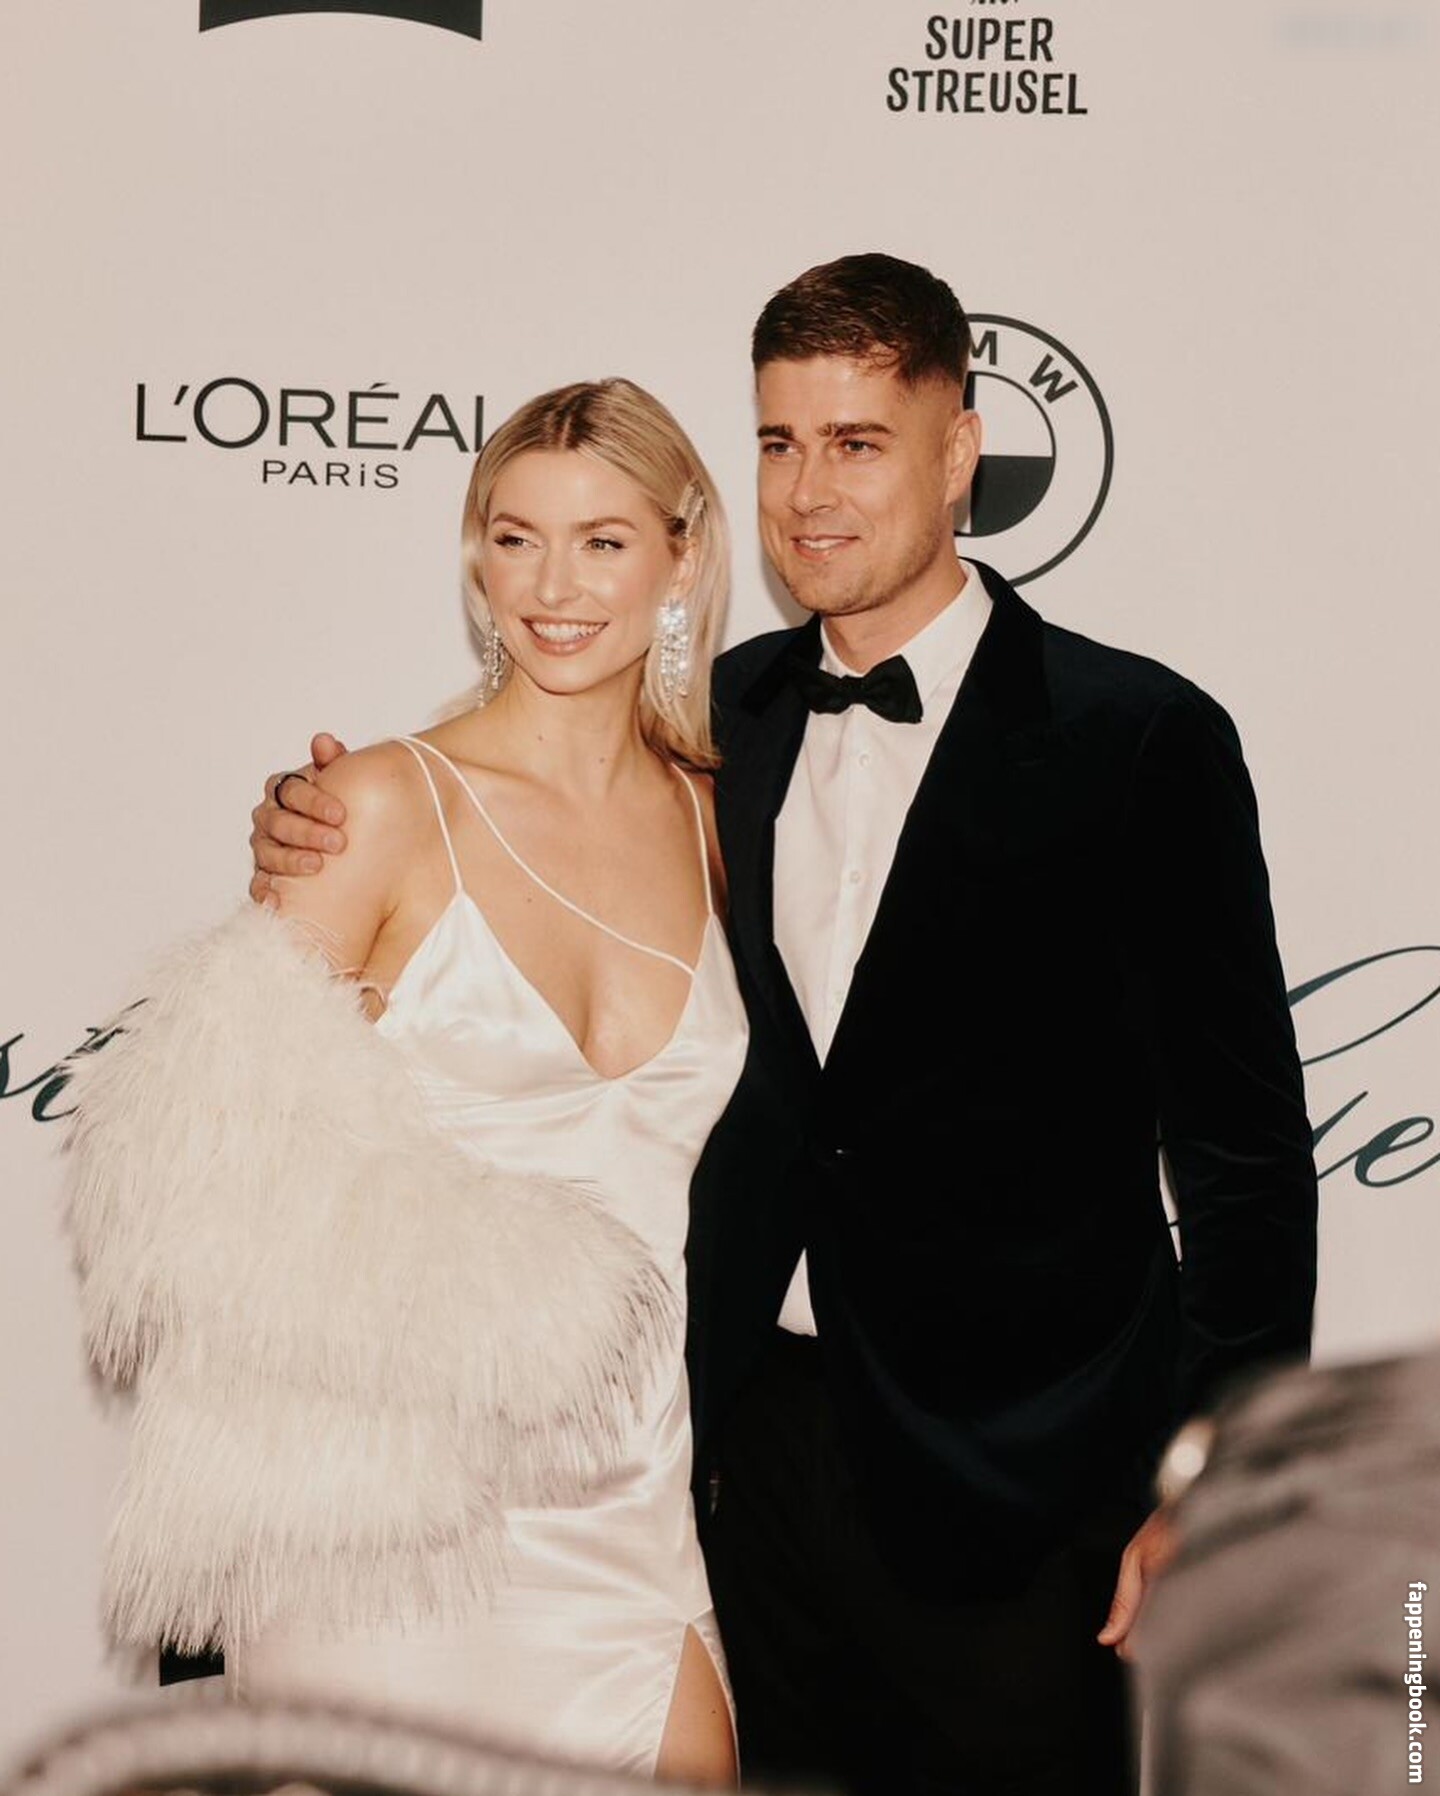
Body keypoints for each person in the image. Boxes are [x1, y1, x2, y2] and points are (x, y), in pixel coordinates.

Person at [251, 255, 1319, 1796]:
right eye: (778, 442)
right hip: (731, 1478)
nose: (810, 492)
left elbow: (1244, 1160)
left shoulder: (1138, 739)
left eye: (858, 442)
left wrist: (1218, 1477)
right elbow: (491, 828)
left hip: (1026, 1494)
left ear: (959, 454)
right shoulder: (712, 738)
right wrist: (311, 830)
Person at [65, 378, 746, 1787]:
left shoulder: (723, 816)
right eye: (516, 538)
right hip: (387, 1531)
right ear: (476, 557)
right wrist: (504, 1292)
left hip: (634, 1511)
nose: (553, 588)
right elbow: (208, 1188)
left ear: (681, 558)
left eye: (604, 542)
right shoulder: (374, 809)